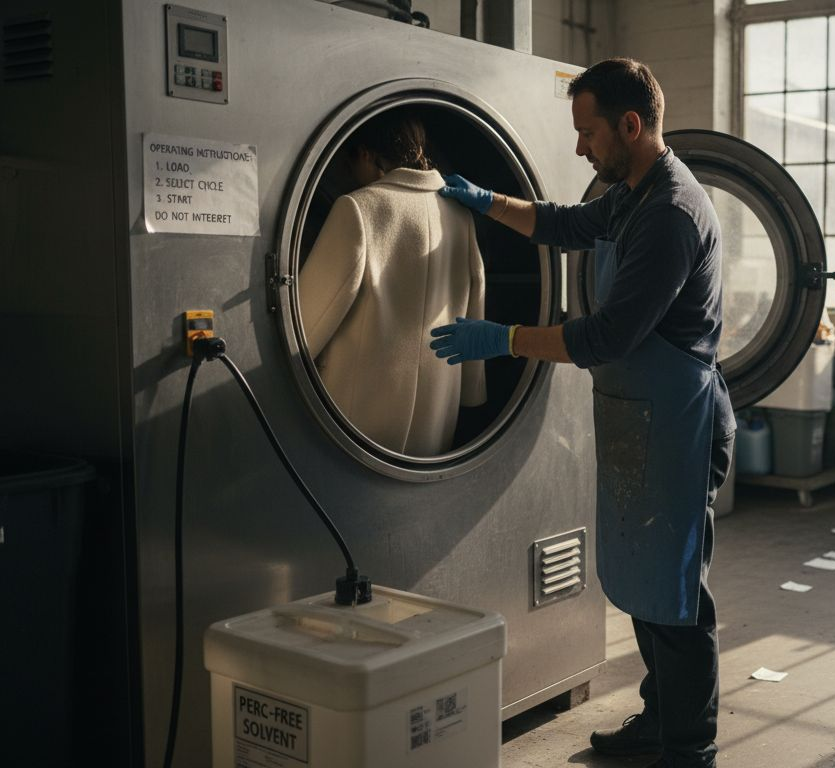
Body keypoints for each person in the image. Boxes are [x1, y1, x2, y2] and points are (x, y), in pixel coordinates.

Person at [431, 58, 733, 768]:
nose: (578, 148)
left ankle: (690, 747)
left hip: (678, 421)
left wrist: (501, 339)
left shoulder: (670, 213)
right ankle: (660, 720)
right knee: (638, 579)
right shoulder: (632, 191)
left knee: (677, 592)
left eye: (587, 133)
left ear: (630, 125)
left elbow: (607, 337)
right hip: (637, 413)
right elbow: (565, 225)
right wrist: (485, 200)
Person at [299, 111, 486, 455]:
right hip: (436, 416)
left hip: (355, 419)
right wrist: (472, 391)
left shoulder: (358, 208)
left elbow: (307, 324)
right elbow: (473, 309)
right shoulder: (460, 214)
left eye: (350, 162)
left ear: (366, 155)